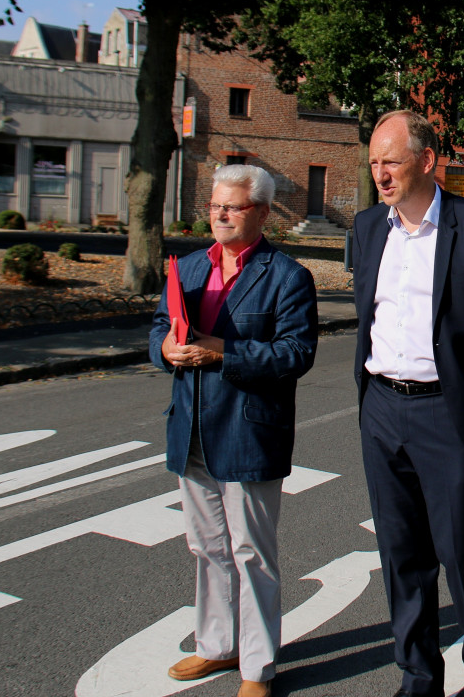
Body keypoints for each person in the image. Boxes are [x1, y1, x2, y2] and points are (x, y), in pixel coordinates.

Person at [352, 111, 464, 697]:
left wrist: (460, 379)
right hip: (381, 409)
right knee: (401, 553)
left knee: (459, 551)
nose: (380, 174)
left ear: (426, 161)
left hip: (446, 414)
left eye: (392, 161)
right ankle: (419, 674)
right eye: (374, 162)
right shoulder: (368, 229)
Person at [149, 164, 319, 697]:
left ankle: (257, 667)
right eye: (215, 206)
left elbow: (296, 353)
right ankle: (216, 645)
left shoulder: (287, 276)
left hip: (249, 430)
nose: (219, 214)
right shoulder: (191, 267)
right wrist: (165, 349)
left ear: (263, 213)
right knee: (206, 547)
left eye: (233, 206)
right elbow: (160, 326)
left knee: (251, 553)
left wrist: (221, 351)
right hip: (193, 426)